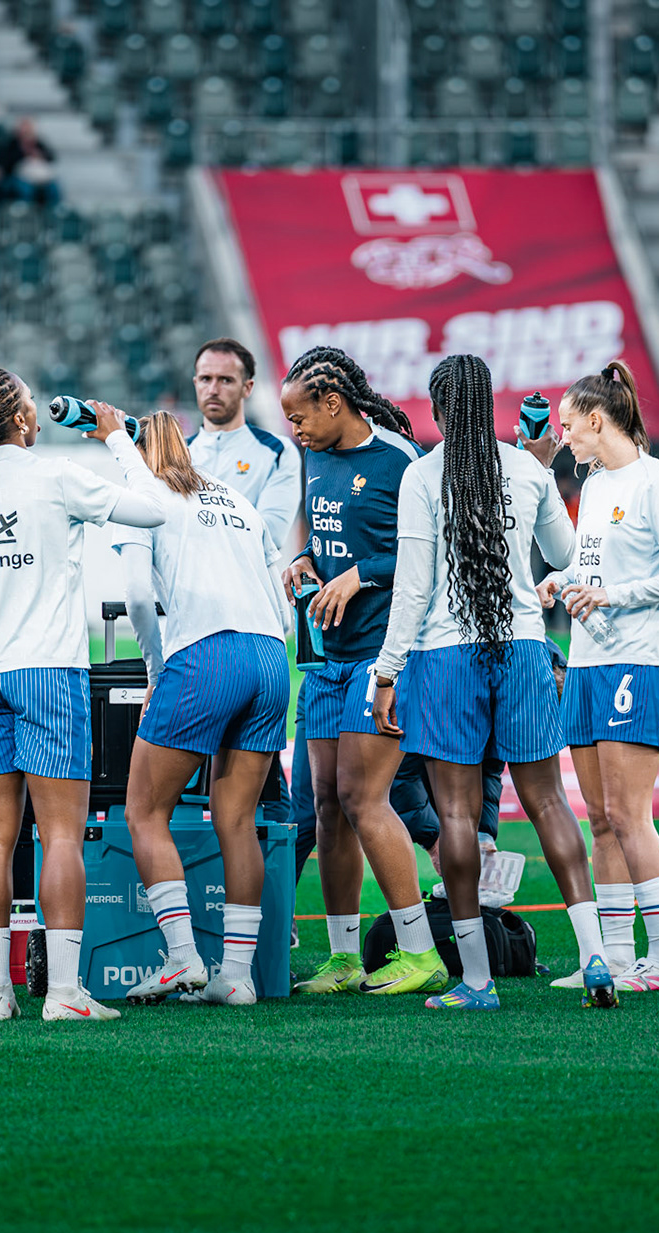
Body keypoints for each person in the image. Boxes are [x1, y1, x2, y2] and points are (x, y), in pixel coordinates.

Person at [0, 368, 165, 1022]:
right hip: (47, 671)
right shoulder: (55, 475)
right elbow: (155, 507)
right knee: (60, 835)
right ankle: (62, 993)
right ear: (24, 421)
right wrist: (116, 439)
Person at [372, 354, 615, 1011]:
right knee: (549, 804)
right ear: (493, 409)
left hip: (447, 656)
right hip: (524, 648)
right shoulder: (529, 470)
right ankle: (595, 955)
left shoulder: (423, 476)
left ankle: (476, 981)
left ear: (440, 411)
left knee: (455, 813)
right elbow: (566, 557)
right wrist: (544, 461)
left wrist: (387, 670)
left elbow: (414, 588)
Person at [276, 345, 442, 999]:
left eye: (300, 417)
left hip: (381, 654)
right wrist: (309, 560)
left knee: (361, 797)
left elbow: (425, 558)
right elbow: (336, 535)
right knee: (324, 806)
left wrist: (360, 573)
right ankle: (345, 959)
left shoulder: (401, 463)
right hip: (325, 653)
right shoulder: (314, 455)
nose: (295, 430)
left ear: (333, 403)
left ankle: (420, 952)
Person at [536, 361, 659, 993]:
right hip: (587, 663)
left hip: (637, 660)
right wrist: (564, 582)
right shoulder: (600, 484)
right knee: (600, 818)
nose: (563, 439)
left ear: (598, 420)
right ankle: (610, 956)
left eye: (568, 427)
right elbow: (594, 566)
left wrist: (615, 597)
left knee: (631, 815)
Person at [115, 411, 290, 1007]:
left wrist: (156, 671)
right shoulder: (236, 498)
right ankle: (236, 977)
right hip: (269, 657)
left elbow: (139, 594)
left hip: (205, 657)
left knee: (144, 812)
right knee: (237, 821)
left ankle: (183, 960)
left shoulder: (142, 491)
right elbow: (281, 595)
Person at [182, 338, 301, 566]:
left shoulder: (278, 451)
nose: (213, 390)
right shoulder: (175, 453)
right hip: (183, 595)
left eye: (226, 380)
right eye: (206, 379)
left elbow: (270, 536)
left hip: (249, 595)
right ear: (195, 382)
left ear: (247, 388)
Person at [3, 117, 61, 205]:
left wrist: (39, 155)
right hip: (19, 176)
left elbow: (51, 157)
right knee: (25, 189)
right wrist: (24, 154)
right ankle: (26, 211)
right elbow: (7, 163)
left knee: (53, 187)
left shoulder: (38, 143)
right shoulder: (12, 143)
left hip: (38, 177)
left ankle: (54, 211)